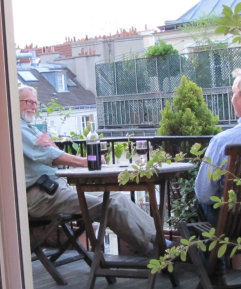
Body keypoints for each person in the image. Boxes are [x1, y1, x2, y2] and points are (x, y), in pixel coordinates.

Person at [19, 85, 165, 256]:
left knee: (117, 197)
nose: (34, 107)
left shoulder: (30, 128)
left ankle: (159, 241)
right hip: (41, 196)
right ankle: (156, 248)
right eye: (29, 102)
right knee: (110, 204)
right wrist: (85, 162)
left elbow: (50, 154)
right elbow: (49, 154)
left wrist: (51, 146)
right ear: (15, 103)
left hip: (54, 189)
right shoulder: (17, 129)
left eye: (36, 103)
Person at [194, 66, 241, 288]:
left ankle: (216, 278)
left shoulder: (223, 141)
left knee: (201, 206)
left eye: (234, 93)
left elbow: (204, 193)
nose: (231, 98)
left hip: (231, 226)